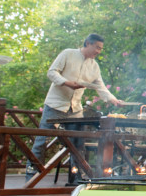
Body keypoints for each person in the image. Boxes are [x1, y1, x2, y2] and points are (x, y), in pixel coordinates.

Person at [26, 34, 124, 181]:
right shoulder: (68, 54)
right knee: (42, 140)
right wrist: (66, 82)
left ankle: (76, 177)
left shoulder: (94, 66)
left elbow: (100, 86)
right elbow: (51, 72)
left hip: (75, 109)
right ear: (88, 43)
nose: (98, 51)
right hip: (55, 105)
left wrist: (114, 100)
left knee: (78, 144)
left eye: (101, 49)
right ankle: (31, 176)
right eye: (97, 47)